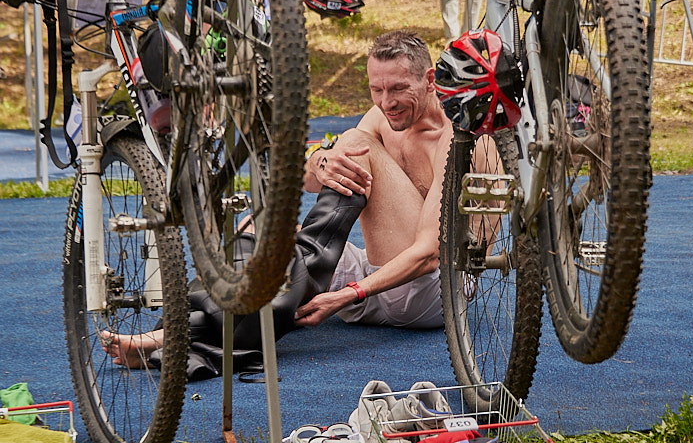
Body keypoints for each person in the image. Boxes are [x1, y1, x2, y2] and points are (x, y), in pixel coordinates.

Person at [102, 29, 453, 379]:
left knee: (354, 143)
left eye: (398, 89)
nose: (385, 102)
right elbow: (307, 180)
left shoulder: (454, 138)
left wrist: (347, 295)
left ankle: (174, 335)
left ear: (429, 80)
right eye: (376, 90)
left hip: (428, 295)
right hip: (372, 276)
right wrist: (321, 162)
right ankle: (175, 336)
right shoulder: (382, 118)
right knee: (258, 234)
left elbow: (430, 254)